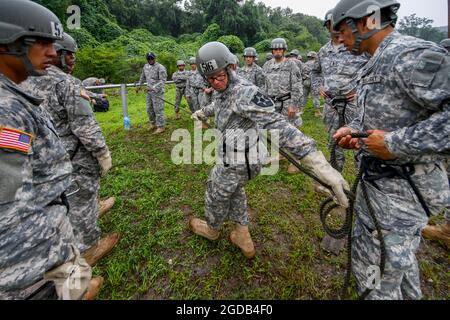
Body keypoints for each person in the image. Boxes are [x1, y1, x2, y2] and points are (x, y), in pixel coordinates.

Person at [332, 0, 450, 300]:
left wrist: (394, 144)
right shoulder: (377, 59)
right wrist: (356, 133)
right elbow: (388, 117)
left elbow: (393, 137)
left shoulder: (410, 56)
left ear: (366, 21)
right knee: (400, 265)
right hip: (384, 194)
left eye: (343, 29)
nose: (340, 39)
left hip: (399, 198)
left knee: (374, 280)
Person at [189, 42, 350, 259]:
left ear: (230, 68)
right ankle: (242, 236)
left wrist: (315, 161)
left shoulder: (245, 92)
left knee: (215, 191)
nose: (216, 83)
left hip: (239, 159)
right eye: (210, 79)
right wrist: (203, 112)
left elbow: (277, 124)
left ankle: (212, 229)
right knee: (235, 189)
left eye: (220, 76)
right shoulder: (224, 88)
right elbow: (220, 103)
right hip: (238, 156)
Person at [0, 0, 102, 300]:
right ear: (8, 42)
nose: (52, 53)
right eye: (41, 42)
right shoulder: (5, 111)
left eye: (55, 45)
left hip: (54, 219)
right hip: (33, 265)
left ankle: (80, 279)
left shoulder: (17, 92)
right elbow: (10, 207)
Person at [21, 33, 120, 268]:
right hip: (74, 154)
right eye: (69, 54)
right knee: (81, 199)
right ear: (58, 55)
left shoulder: (25, 79)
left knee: (74, 197)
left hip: (45, 158)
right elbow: (85, 126)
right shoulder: (64, 83)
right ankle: (89, 249)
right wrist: (102, 153)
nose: (73, 59)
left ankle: (95, 206)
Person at [312, 9, 369, 172]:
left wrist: (362, 90)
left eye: (338, 23)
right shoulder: (323, 51)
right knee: (333, 141)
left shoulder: (357, 46)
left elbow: (374, 68)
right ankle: (336, 178)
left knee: (359, 141)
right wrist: (318, 87)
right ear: (327, 27)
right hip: (331, 104)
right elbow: (315, 71)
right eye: (331, 24)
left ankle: (363, 179)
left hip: (353, 103)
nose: (335, 27)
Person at [263, 38, 304, 174]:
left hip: (287, 102)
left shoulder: (291, 64)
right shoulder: (267, 65)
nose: (277, 51)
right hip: (272, 103)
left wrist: (293, 105)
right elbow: (264, 85)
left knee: (291, 130)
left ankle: (296, 159)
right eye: (275, 49)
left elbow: (297, 86)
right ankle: (279, 153)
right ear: (272, 51)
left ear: (284, 50)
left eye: (280, 49)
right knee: (275, 130)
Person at [138, 52, 167, 134]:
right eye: (148, 59)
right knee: (149, 109)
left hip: (157, 92)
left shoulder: (160, 67)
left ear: (155, 58)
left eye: (152, 58)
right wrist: (139, 85)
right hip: (149, 93)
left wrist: (153, 88)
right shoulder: (145, 66)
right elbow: (142, 76)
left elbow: (163, 81)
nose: (150, 60)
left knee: (158, 109)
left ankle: (161, 126)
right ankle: (153, 124)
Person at [302, 51, 322, 117]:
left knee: (304, 96)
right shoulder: (316, 64)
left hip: (306, 82)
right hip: (314, 83)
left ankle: (301, 110)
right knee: (315, 97)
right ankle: (317, 112)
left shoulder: (304, 64)